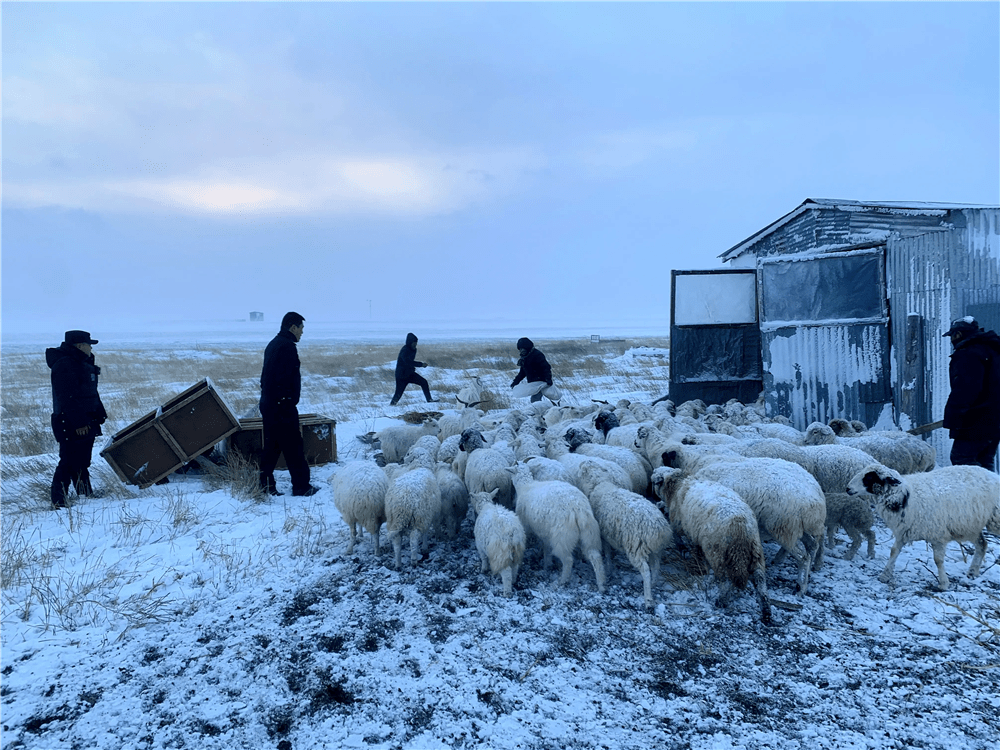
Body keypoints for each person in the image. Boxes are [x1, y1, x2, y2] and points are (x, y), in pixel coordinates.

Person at [258, 312, 319, 496]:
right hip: (281, 406)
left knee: (273, 445)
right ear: (292, 327)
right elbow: (284, 379)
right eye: (301, 328)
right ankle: (301, 487)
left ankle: (265, 485)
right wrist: (287, 400)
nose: (302, 332)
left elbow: (266, 378)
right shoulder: (286, 347)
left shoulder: (274, 344)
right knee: (293, 446)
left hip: (270, 404)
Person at [47, 330, 108, 508]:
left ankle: (85, 493)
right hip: (70, 422)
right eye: (89, 344)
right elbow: (67, 398)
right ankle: (58, 501)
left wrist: (99, 412)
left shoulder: (82, 363)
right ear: (80, 346)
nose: (91, 348)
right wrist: (79, 422)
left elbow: (88, 393)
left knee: (82, 461)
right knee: (68, 461)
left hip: (86, 419)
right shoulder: (65, 365)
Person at [942, 316, 1000, 470]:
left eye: (952, 336)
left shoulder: (968, 354)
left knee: (962, 460)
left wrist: (952, 419)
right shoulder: (992, 350)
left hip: (977, 420)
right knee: (984, 461)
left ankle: (977, 493)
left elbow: (965, 390)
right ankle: (992, 493)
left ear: (959, 334)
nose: (951, 341)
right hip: (995, 419)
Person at [390, 332, 438, 406]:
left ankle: (429, 400)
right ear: (409, 342)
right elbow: (407, 362)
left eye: (416, 343)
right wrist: (420, 364)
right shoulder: (405, 350)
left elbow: (410, 363)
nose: (415, 345)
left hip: (409, 374)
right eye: (413, 343)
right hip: (401, 376)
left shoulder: (414, 350)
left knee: (424, 382)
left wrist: (412, 368)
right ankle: (392, 406)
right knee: (398, 394)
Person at [510, 337, 553, 403]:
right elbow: (522, 372)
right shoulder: (524, 358)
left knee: (546, 398)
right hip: (533, 383)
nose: (522, 351)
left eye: (523, 348)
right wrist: (516, 382)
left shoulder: (537, 355)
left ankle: (554, 409)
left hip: (542, 381)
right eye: (520, 349)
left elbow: (546, 368)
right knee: (535, 400)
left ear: (528, 347)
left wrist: (548, 379)